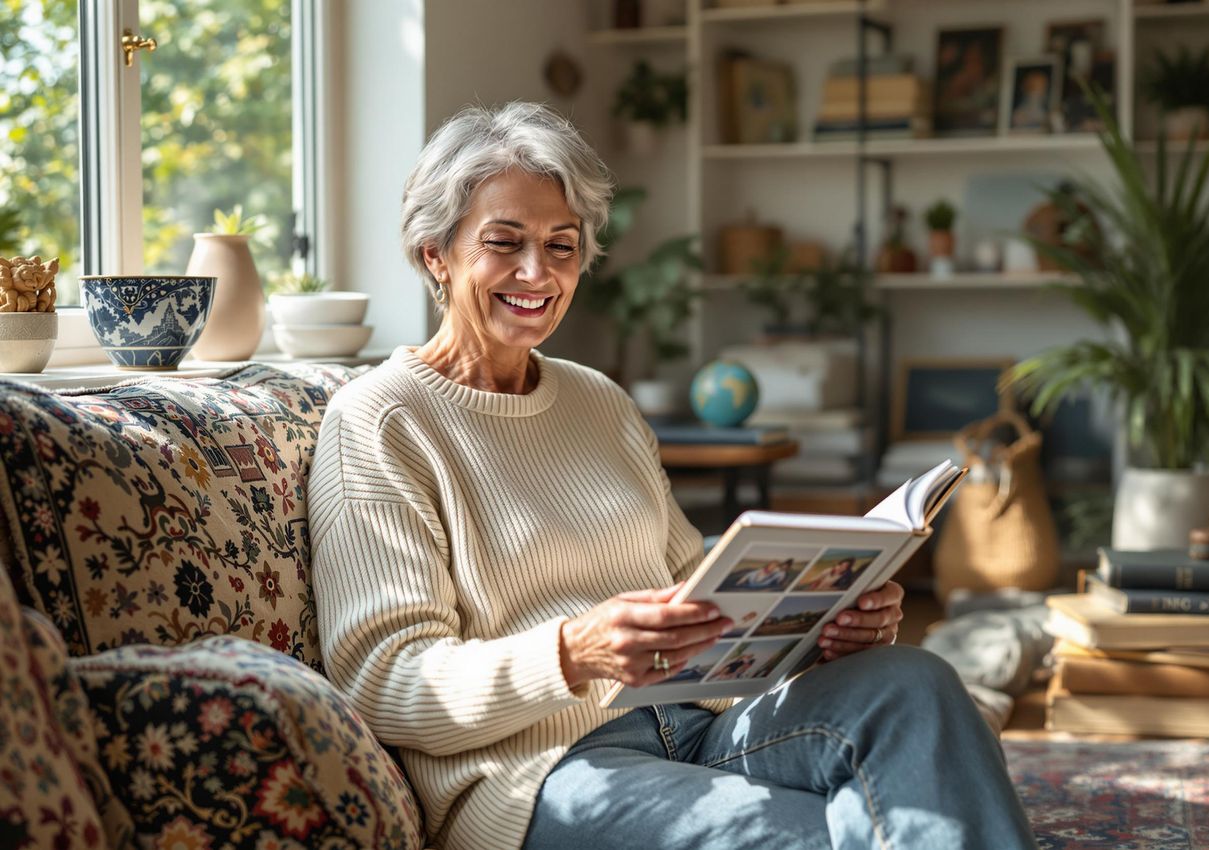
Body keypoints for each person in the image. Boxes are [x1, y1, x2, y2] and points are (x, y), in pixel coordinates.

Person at [308, 101, 1038, 850]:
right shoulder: (382, 420)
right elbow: (385, 681)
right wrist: (571, 651)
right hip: (544, 773)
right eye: (505, 242)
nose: (539, 273)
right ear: (436, 253)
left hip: (701, 724)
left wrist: (828, 621)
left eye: (563, 246)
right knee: (830, 834)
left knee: (915, 684)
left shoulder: (599, 400)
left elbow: (700, 587)